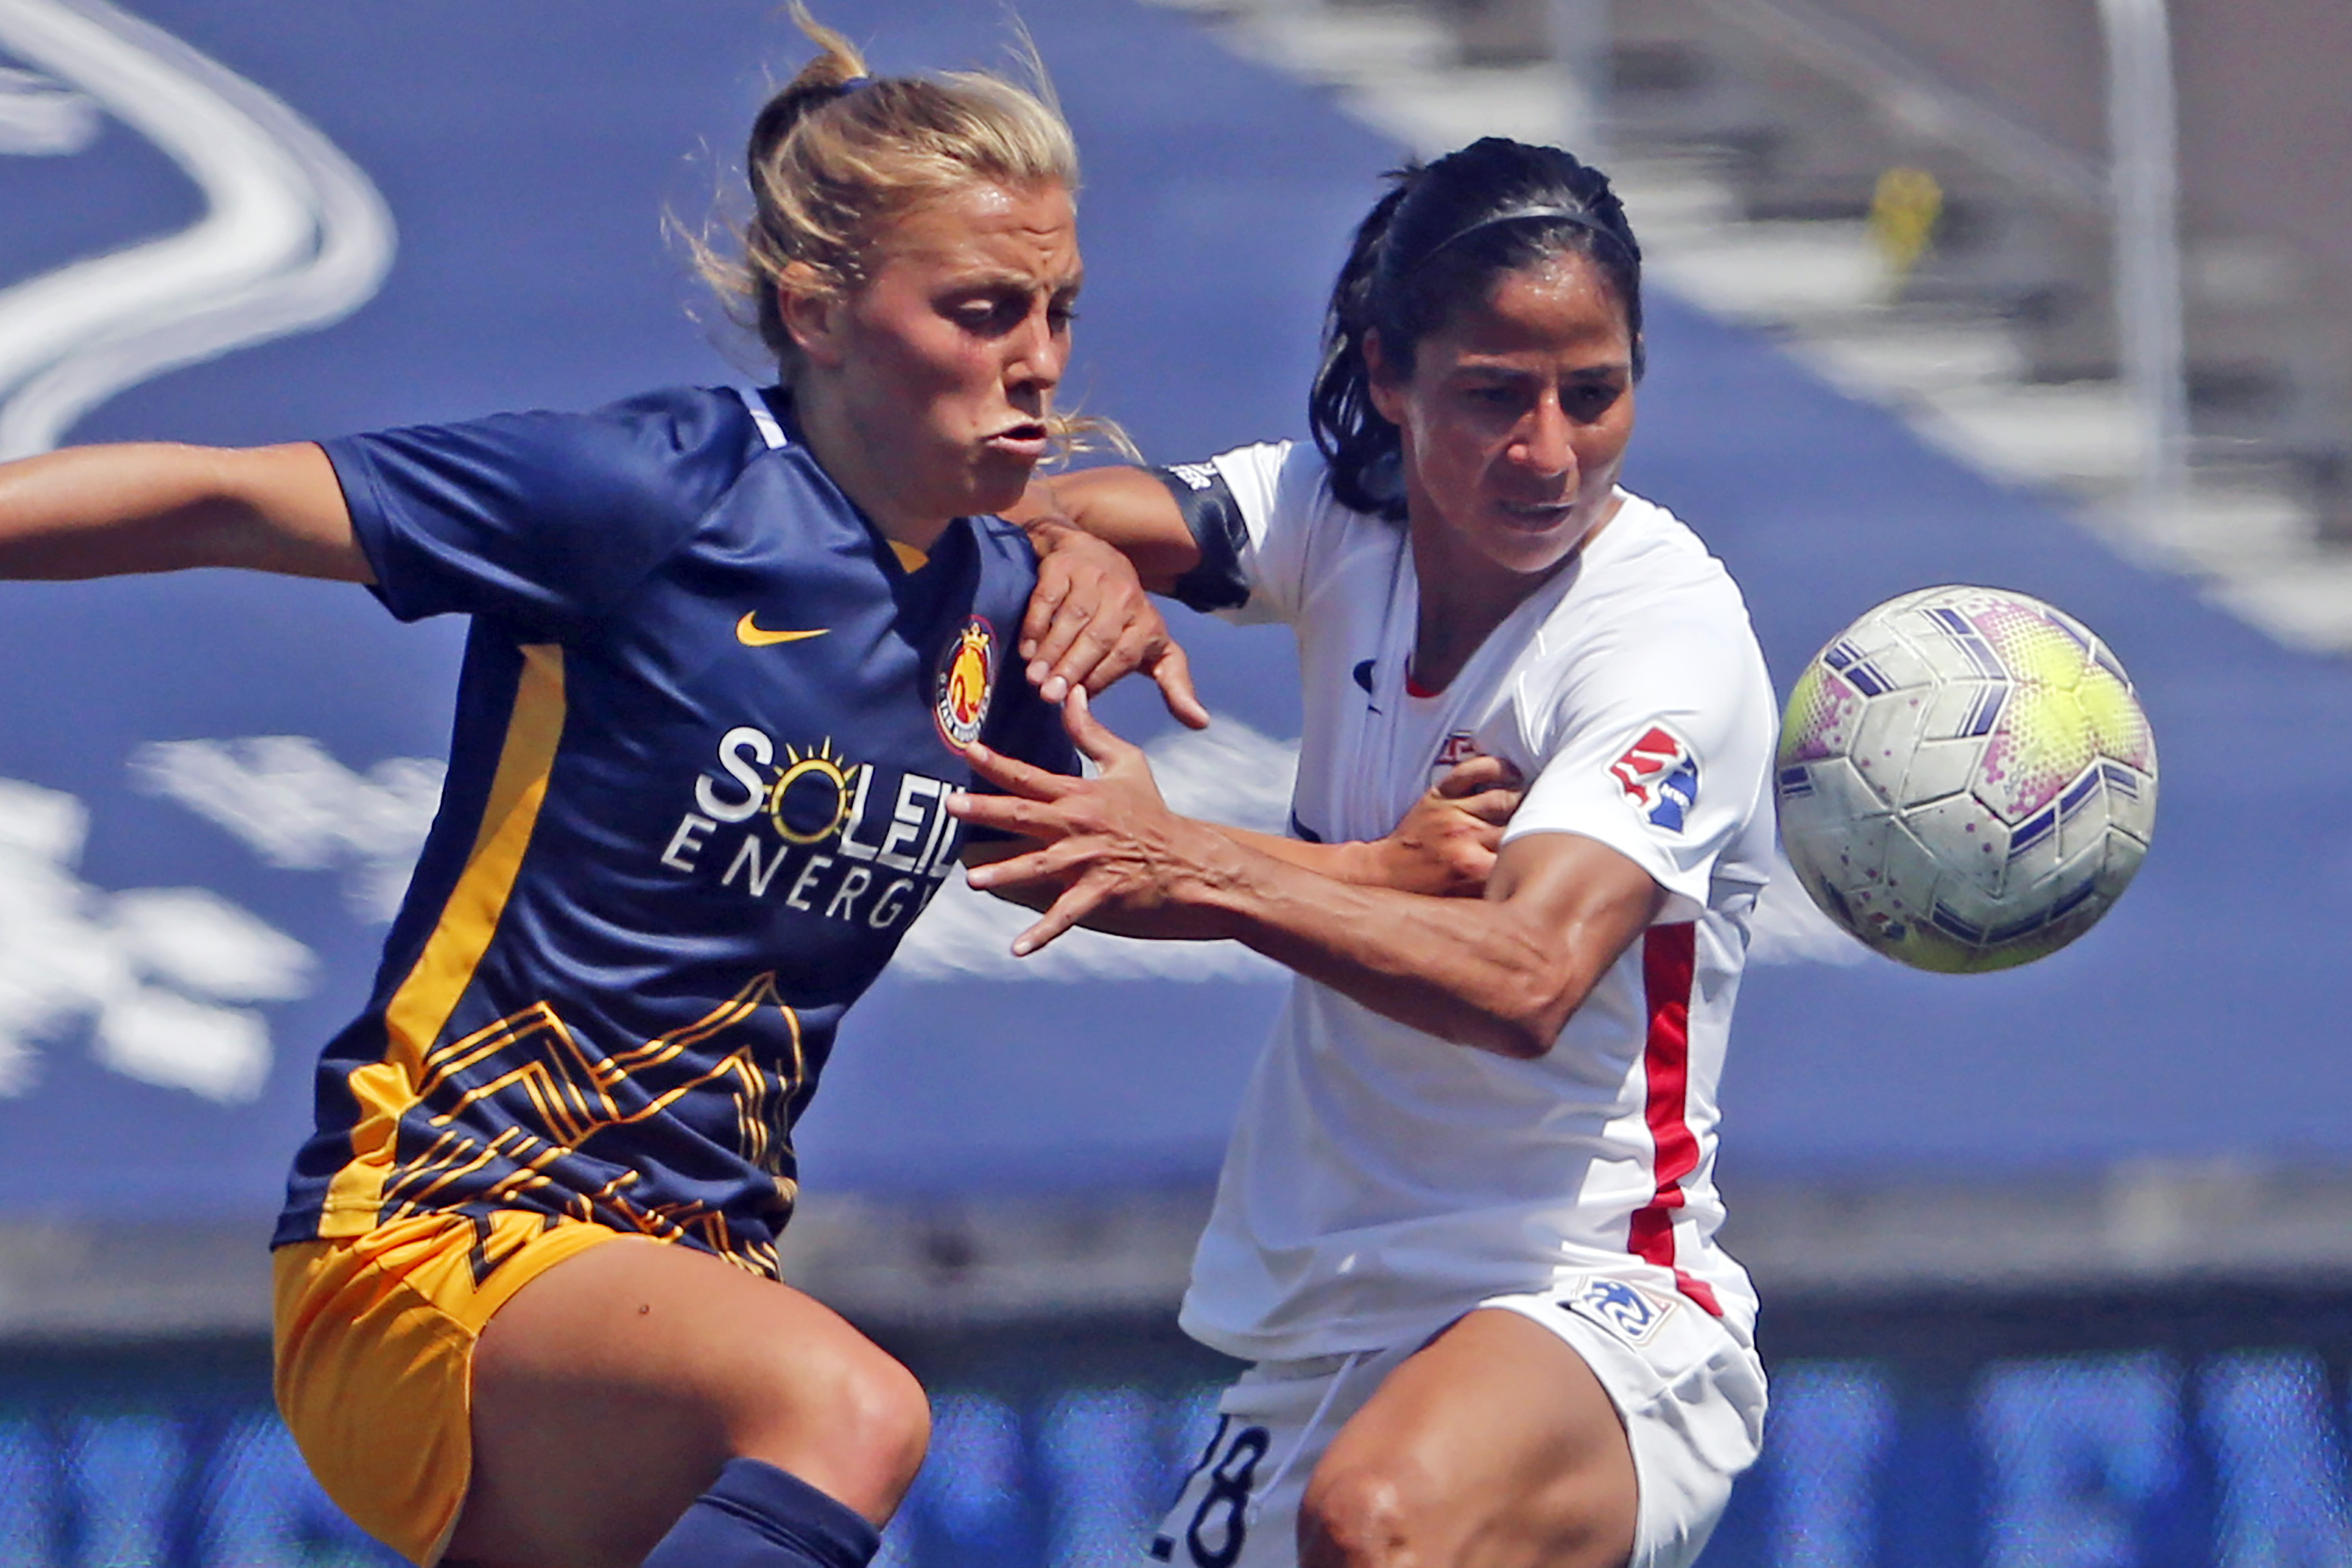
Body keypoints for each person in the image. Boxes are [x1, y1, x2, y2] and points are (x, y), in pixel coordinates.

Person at [0, 15, 1214, 1568]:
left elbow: (1173, 847)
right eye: (982, 309)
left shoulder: (999, 607)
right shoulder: (654, 492)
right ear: (819, 312)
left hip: (674, 1291)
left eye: (1057, 308)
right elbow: (222, 498)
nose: (1037, 355)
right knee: (851, 1414)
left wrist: (1416, 871)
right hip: (435, 1241)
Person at [968, 137, 1776, 1568]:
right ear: (1391, 378)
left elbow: (1524, 979)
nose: (1549, 452)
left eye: (1594, 394)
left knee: (1381, 1521)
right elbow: (1002, 515)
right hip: (1336, 1319)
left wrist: (1210, 869)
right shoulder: (1337, 516)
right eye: (1491, 397)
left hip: (1596, 1300)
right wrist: (1067, 547)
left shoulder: (1665, 639)